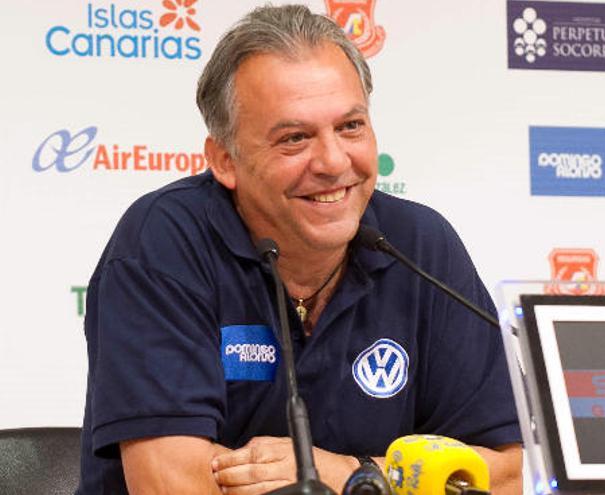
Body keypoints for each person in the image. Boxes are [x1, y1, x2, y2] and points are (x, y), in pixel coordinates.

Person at [76, 4, 522, 494]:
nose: (333, 161)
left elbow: (507, 474)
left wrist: (347, 474)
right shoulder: (163, 240)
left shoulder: (419, 245)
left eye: (350, 126)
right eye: (294, 138)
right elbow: (172, 484)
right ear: (225, 160)